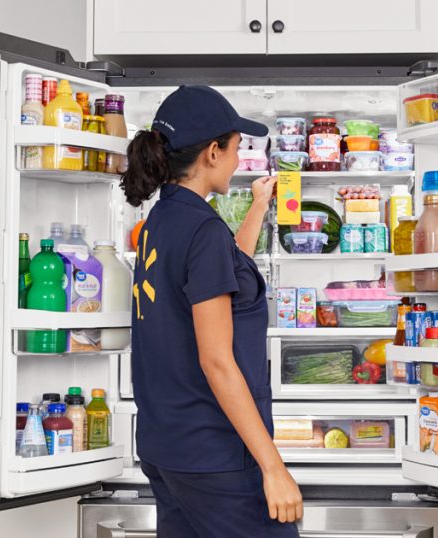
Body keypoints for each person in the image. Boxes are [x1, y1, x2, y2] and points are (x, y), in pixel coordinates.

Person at [120, 85, 302, 537]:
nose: (240, 160)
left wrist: (259, 205)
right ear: (213, 152)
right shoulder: (201, 230)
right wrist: (273, 467)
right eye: (238, 148)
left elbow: (221, 276)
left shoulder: (162, 220)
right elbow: (217, 361)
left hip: (168, 450)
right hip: (216, 453)